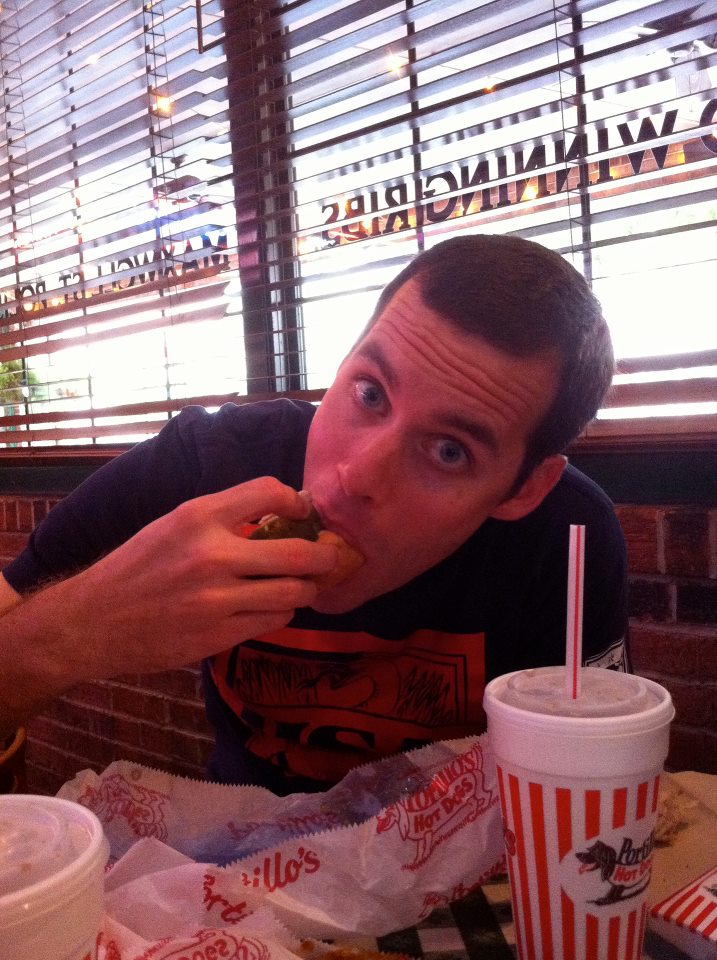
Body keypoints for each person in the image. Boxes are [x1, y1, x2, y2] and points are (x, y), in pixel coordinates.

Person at [0, 234, 628, 794]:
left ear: (522, 489)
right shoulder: (206, 465)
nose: (357, 476)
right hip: (238, 859)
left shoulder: (568, 540)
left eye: (449, 451)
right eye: (370, 393)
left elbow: (592, 784)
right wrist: (78, 628)